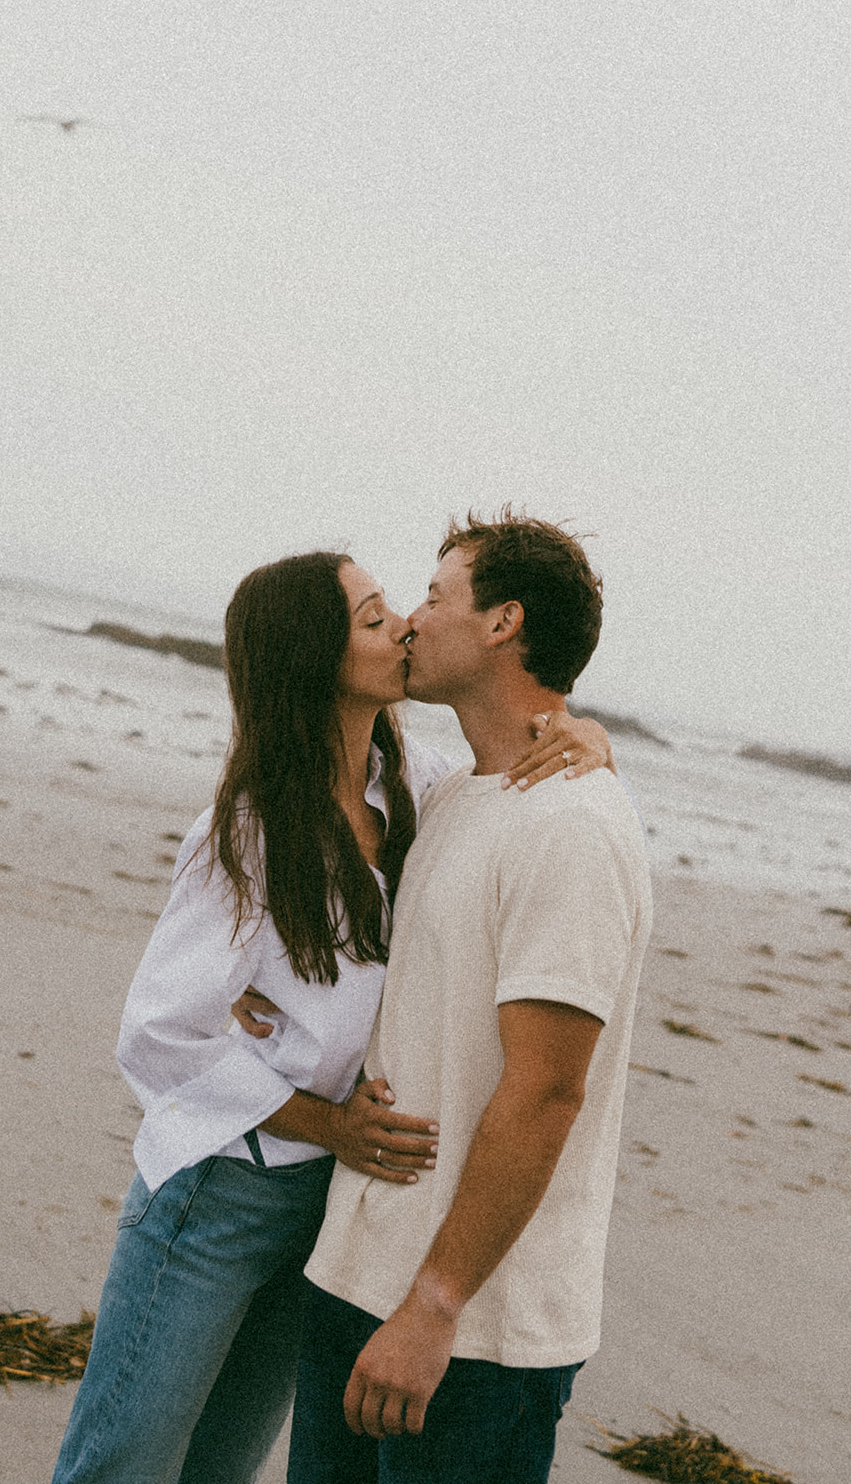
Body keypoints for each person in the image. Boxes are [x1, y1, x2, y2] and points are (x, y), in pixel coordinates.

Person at [50, 548, 612, 1484]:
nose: (401, 625)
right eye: (371, 616)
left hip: (328, 1205)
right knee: (126, 1460)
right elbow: (158, 1032)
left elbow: (516, 758)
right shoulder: (250, 829)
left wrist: (587, 735)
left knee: (223, 1464)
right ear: (316, 658)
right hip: (219, 1194)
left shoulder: (416, 789)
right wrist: (329, 1123)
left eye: (398, 605)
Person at [286, 512, 653, 1484]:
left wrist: (436, 1303)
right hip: (359, 1284)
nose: (410, 619)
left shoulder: (571, 828)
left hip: (472, 1336)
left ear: (503, 622)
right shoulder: (454, 796)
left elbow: (546, 1091)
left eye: (437, 595)